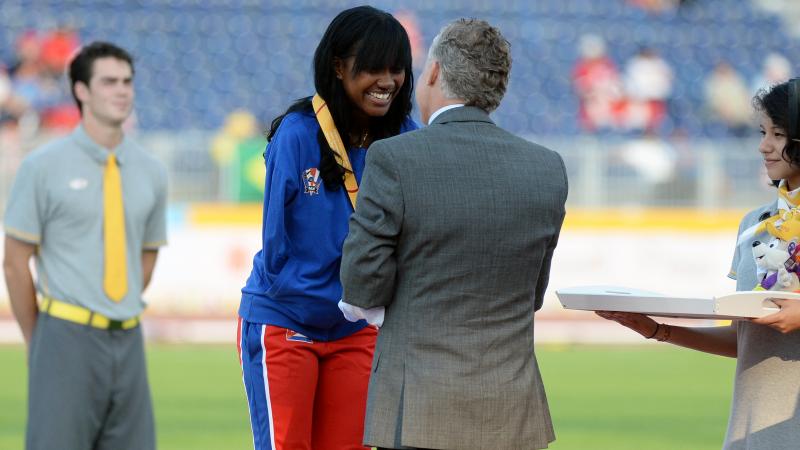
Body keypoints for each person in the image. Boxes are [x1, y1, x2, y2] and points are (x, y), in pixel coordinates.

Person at [339, 18, 568, 450]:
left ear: (436, 73)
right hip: (513, 414)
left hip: (419, 412)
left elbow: (361, 285)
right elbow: (532, 294)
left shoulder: (393, 158)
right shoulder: (547, 168)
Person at [237, 6, 416, 450]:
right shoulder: (298, 134)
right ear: (338, 67)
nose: (387, 80)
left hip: (355, 327)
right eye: (374, 67)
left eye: (396, 69)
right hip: (286, 321)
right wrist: (307, 299)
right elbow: (275, 243)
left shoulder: (406, 137)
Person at [597, 79, 800, 449]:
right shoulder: (753, 224)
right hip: (749, 435)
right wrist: (657, 329)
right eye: (762, 132)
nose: (763, 145)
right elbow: (746, 341)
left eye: (778, 133)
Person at [2, 41, 167, 450]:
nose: (122, 90)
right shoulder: (42, 166)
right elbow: (14, 263)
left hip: (129, 338)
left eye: (127, 81)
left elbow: (145, 259)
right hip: (64, 336)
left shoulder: (151, 171)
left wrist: (118, 304)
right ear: (81, 91)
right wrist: (39, 340)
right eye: (109, 81)